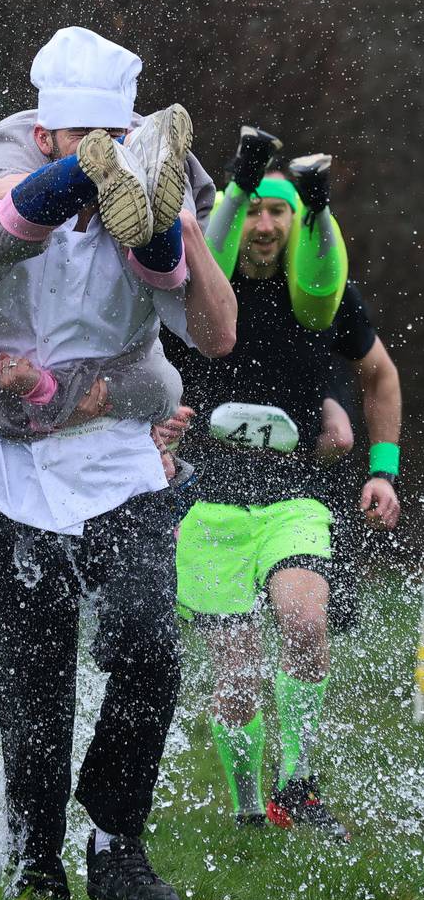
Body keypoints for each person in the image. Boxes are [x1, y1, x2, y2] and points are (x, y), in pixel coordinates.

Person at [0, 27, 236, 900]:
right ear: (46, 136)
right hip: (13, 477)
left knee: (149, 651)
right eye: (82, 143)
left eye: (114, 141)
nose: (100, 161)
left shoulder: (149, 208)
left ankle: (116, 840)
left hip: (124, 466)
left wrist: (184, 232)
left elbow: (217, 336)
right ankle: (34, 862)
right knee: (33, 687)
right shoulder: (3, 191)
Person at [163, 129, 401, 839]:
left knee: (304, 621)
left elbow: (380, 375)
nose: (265, 226)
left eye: (280, 212)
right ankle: (249, 810)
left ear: (299, 222)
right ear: (235, 214)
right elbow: (137, 359)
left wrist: (383, 470)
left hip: (294, 499)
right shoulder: (188, 288)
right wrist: (153, 424)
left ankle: (297, 785)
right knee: (237, 677)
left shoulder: (325, 292)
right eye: (254, 211)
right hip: (207, 504)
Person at [206, 128, 348, 330]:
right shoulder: (179, 304)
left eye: (276, 211)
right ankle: (242, 184)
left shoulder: (337, 289)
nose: (265, 227)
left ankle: (316, 206)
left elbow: (373, 350)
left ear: (293, 214)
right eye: (252, 211)